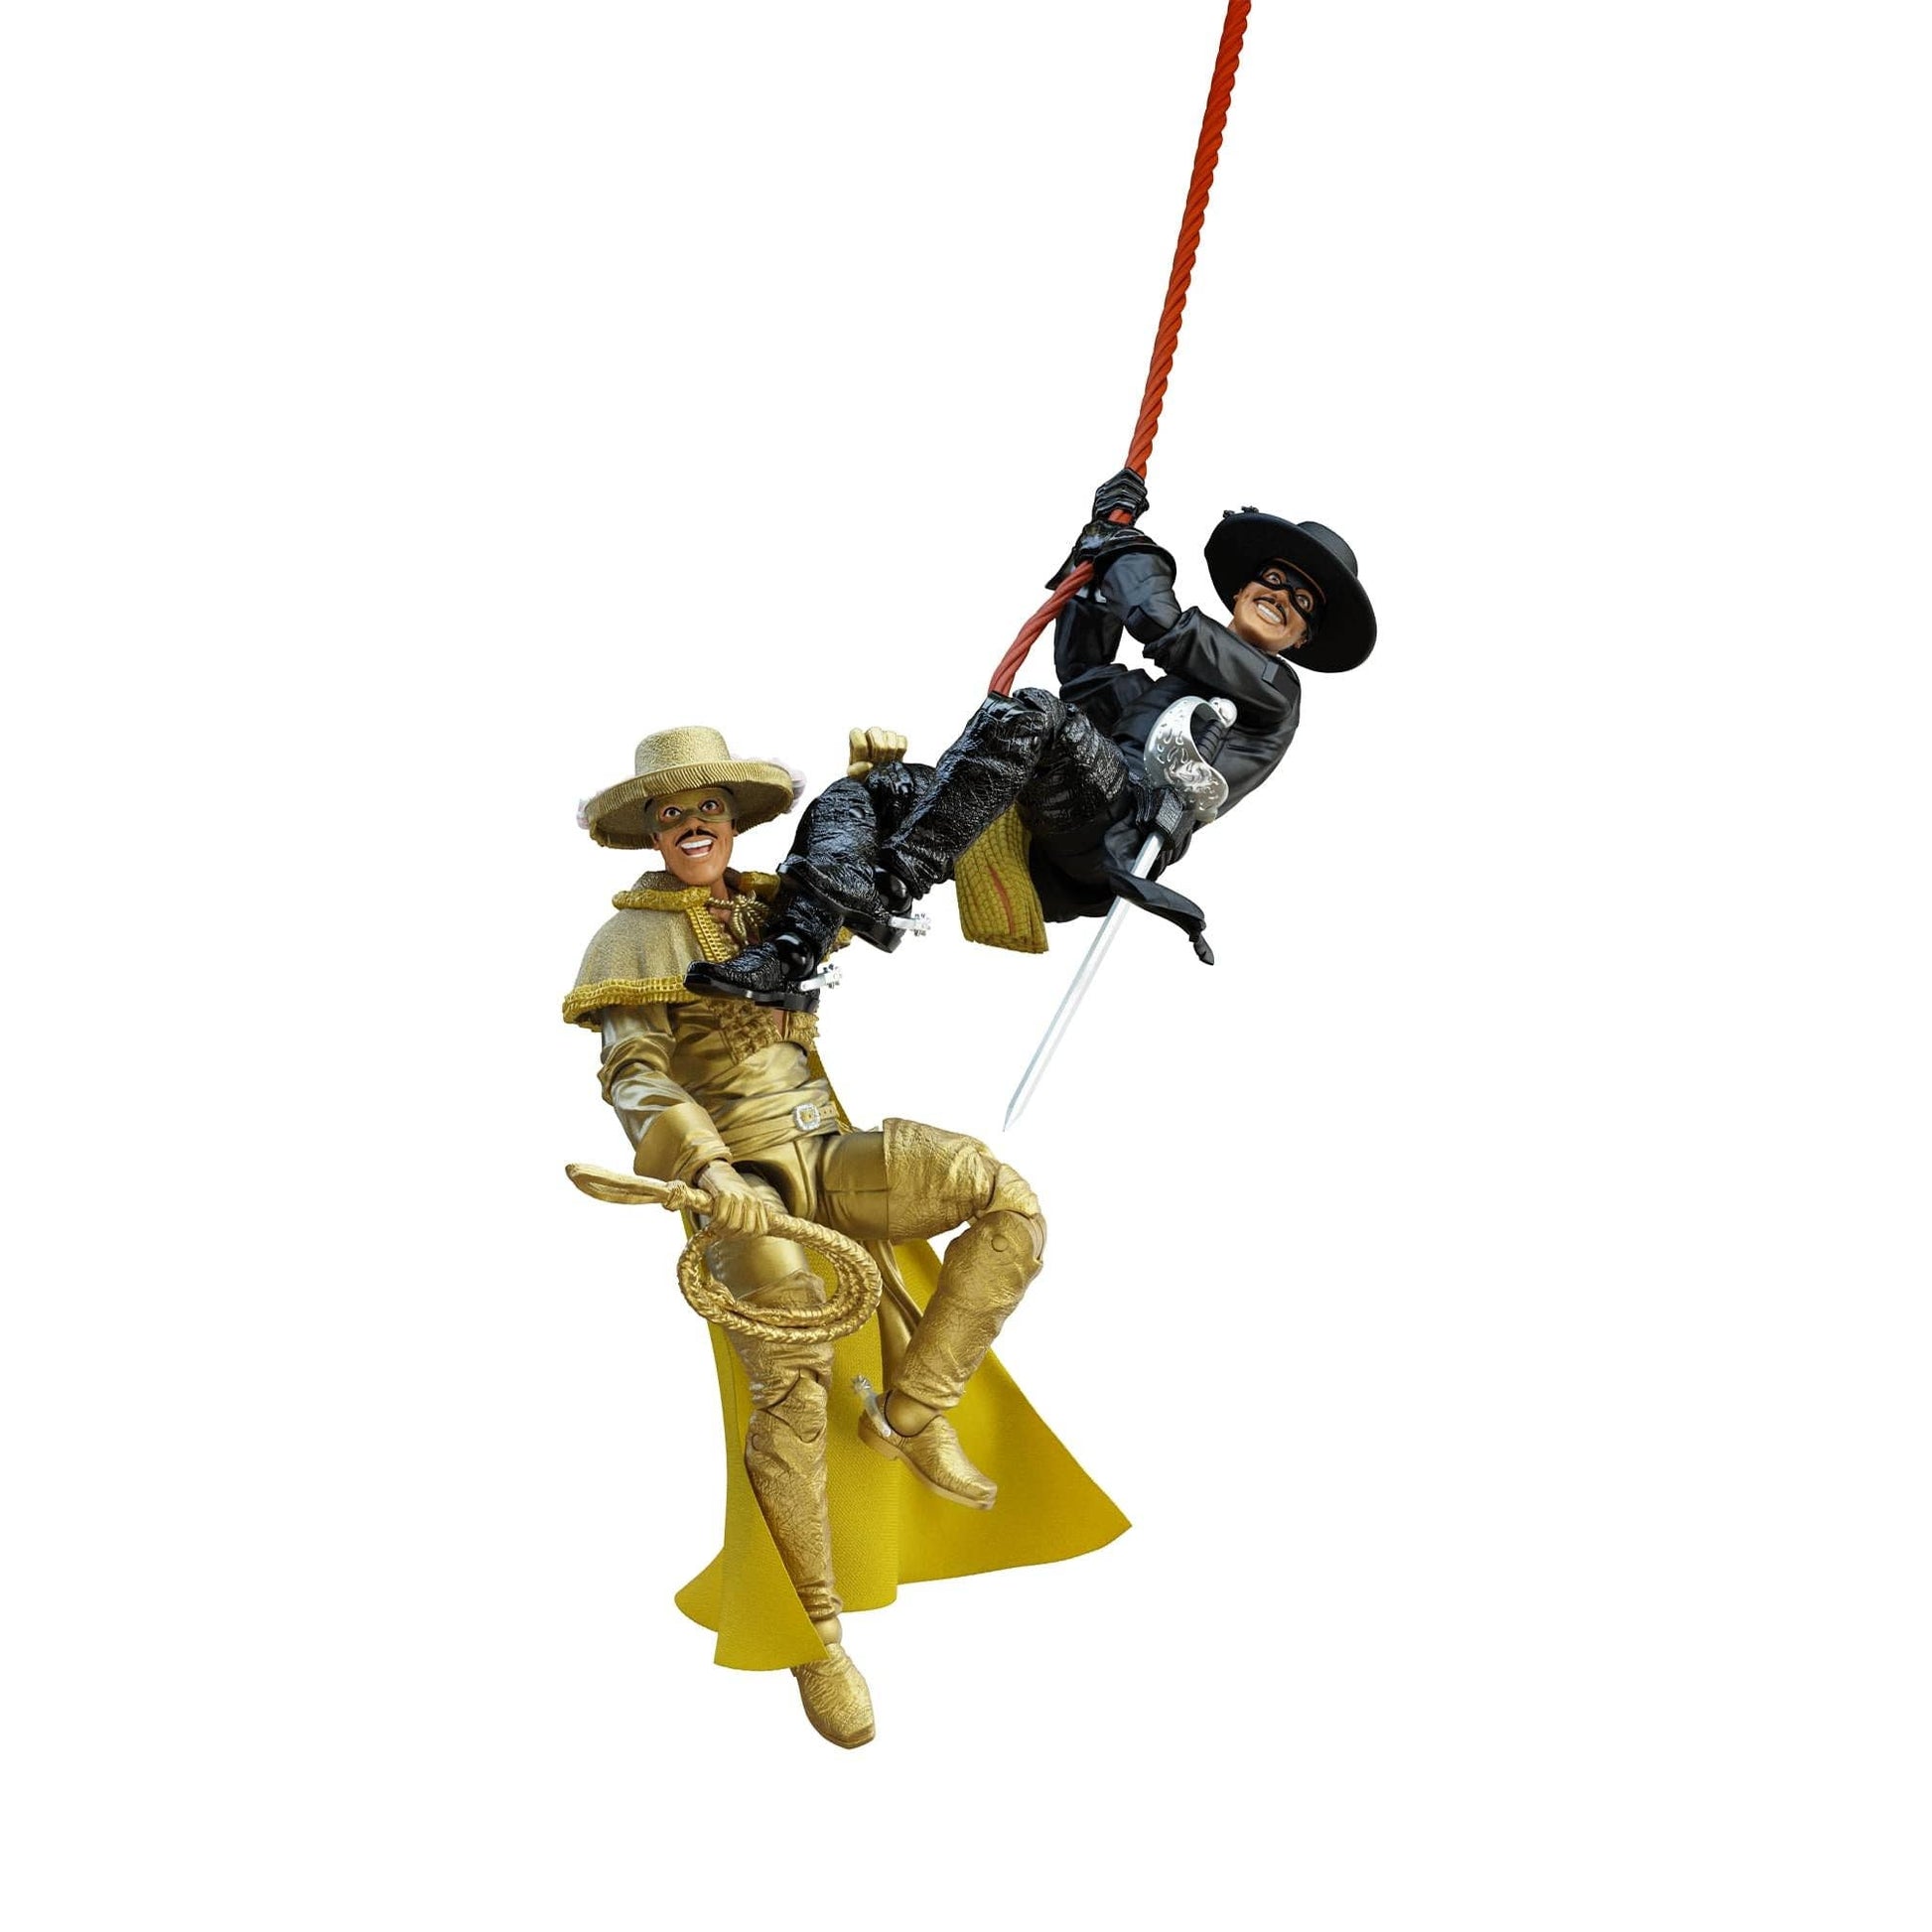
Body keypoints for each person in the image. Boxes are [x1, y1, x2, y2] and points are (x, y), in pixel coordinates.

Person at [565, 727, 1126, 1747]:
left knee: (1003, 1199)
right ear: (650, 831)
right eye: (671, 815)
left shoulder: (772, 902)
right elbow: (632, 1073)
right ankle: (816, 1636)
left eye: (707, 810)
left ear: (730, 822)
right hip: (742, 1180)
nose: (692, 827)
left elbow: (866, 893)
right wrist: (706, 1170)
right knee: (791, 1384)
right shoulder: (627, 941)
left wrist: (874, 792)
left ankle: (911, 1409)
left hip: (829, 1146)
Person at [686, 471, 1376, 1004]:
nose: (1281, 597)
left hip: (1115, 830)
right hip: (1046, 819)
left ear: (1301, 638)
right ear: (1245, 587)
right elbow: (1085, 669)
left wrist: (1127, 546)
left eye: (1301, 604)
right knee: (871, 792)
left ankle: (893, 882)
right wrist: (1096, 550)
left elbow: (1160, 624)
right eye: (1275, 580)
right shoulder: (1145, 696)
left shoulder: (1274, 696)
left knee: (1035, 715)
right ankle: (789, 951)